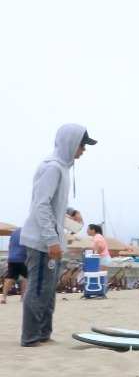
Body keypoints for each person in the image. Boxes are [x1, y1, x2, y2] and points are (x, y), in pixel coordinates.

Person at [20, 124, 95, 346]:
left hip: (51, 239)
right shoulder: (52, 167)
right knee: (39, 287)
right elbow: (40, 205)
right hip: (42, 240)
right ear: (71, 144)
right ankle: (31, 337)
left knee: (48, 290)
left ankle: (43, 333)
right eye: (82, 145)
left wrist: (70, 211)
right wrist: (51, 239)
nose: (84, 150)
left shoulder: (62, 167)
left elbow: (53, 202)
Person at [2, 229, 26, 305]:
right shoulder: (28, 231)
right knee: (27, 277)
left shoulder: (14, 232)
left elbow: (9, 246)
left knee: (10, 277)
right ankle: (23, 297)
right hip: (23, 258)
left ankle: (4, 297)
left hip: (12, 258)